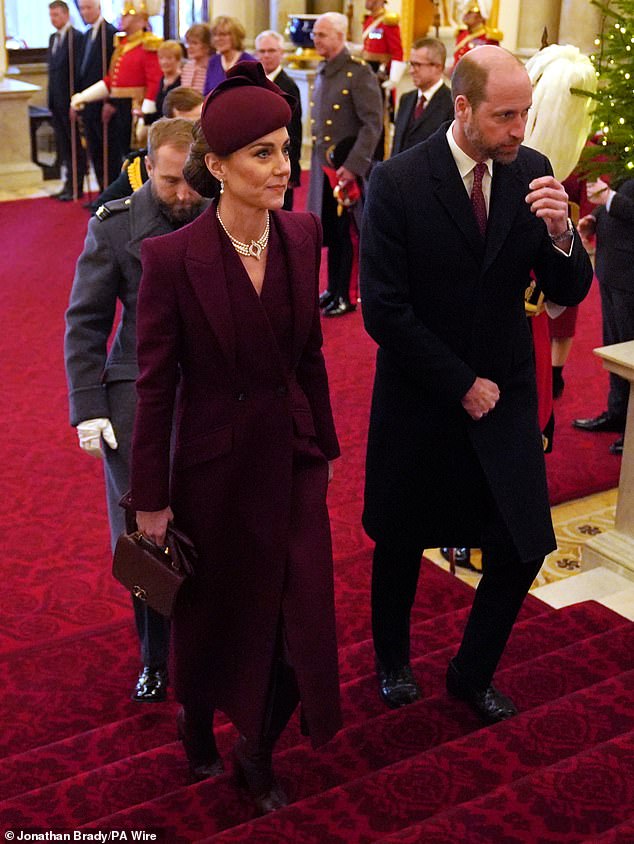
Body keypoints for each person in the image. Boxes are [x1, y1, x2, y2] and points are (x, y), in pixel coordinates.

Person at [128, 61, 342, 812]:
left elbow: (309, 354)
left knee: (300, 614)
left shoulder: (302, 233)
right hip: (213, 473)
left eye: (288, 148)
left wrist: (326, 452)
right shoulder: (169, 260)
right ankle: (197, 723)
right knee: (218, 615)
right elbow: (155, 387)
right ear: (216, 167)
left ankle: (257, 747)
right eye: (262, 153)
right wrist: (148, 500)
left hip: (289, 460)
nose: (284, 167)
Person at [360, 46, 592, 721]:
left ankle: (470, 671)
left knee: (522, 544)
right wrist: (459, 382)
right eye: (505, 115)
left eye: (524, 113)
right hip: (421, 391)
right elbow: (384, 309)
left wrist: (561, 236)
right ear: (462, 108)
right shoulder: (399, 181)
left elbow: (566, 290)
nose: (521, 128)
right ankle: (394, 662)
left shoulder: (536, 172)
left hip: (507, 390)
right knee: (401, 540)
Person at [64, 118, 208, 704]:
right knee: (145, 539)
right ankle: (154, 658)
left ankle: (205, 647)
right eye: (171, 181)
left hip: (209, 397)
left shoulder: (218, 214)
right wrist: (87, 405)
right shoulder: (115, 226)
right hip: (133, 402)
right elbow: (86, 321)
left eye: (191, 182)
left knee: (208, 528)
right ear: (148, 167)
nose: (181, 195)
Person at [308, 12, 382, 317]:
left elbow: (372, 124)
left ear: (340, 36)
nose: (316, 39)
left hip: (346, 168)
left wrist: (353, 166)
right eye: (315, 33)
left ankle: (348, 295)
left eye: (322, 34)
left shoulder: (358, 72)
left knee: (348, 233)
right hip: (324, 167)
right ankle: (333, 288)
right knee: (332, 232)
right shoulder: (325, 69)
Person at [573, 177, 634, 455]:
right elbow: (625, 188)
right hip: (613, 269)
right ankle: (617, 413)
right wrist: (595, 217)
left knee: (629, 352)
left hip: (630, 274)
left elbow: (620, 200)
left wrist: (608, 198)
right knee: (614, 348)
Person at [70, 0, 162, 153]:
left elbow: (154, 81)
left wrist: (147, 115)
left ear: (141, 20)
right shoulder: (122, 45)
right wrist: (84, 96)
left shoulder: (149, 44)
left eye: (127, 15)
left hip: (135, 107)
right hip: (119, 107)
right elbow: (111, 80)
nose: (122, 18)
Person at [90, 87, 204, 209]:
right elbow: (101, 209)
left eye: (200, 122)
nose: (197, 131)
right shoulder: (142, 169)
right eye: (186, 125)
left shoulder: (217, 161)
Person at [76, 0, 124, 193]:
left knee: (108, 153)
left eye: (88, 7)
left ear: (99, 8)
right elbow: (82, 71)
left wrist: (111, 102)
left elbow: (115, 73)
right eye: (82, 9)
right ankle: (101, 192)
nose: (85, 12)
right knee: (94, 150)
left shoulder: (111, 34)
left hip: (105, 105)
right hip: (89, 105)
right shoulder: (86, 35)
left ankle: (110, 194)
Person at [255, 29, 302, 210]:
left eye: (272, 51)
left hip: (281, 159)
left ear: (281, 53)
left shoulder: (288, 86)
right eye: (262, 51)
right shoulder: (255, 83)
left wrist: (292, 168)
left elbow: (295, 130)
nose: (266, 56)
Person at [47, 0, 86, 200]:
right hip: (56, 101)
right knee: (63, 146)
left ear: (66, 14)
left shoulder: (76, 38)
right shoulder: (53, 38)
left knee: (74, 145)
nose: (53, 19)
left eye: (56, 15)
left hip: (69, 101)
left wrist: (75, 103)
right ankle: (67, 184)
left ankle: (76, 186)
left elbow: (77, 73)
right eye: (51, 15)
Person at [391, 37, 454, 156]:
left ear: (437, 67)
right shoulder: (406, 99)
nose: (411, 71)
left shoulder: (451, 103)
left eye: (417, 65)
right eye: (411, 64)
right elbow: (397, 145)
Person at [203, 16, 255, 95]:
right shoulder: (213, 61)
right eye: (215, 35)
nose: (218, 39)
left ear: (235, 37)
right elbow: (206, 94)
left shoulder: (249, 62)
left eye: (223, 35)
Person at [452, 1, 500, 71]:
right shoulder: (461, 33)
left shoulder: (489, 38)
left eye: (470, 12)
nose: (465, 14)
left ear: (481, 17)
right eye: (465, 11)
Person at [180, 23, 214, 93]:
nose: (190, 47)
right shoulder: (187, 67)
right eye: (188, 43)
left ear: (207, 46)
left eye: (195, 43)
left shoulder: (212, 68)